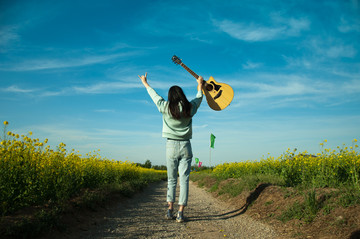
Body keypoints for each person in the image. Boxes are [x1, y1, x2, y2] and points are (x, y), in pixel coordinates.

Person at [139, 72, 203, 222]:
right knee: (184, 180)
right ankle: (181, 212)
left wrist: (145, 83)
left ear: (170, 96)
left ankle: (170, 210)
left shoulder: (165, 107)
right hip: (186, 146)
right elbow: (199, 98)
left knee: (172, 179)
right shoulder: (189, 107)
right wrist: (199, 85)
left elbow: (154, 96)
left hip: (171, 146)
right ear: (181, 95)